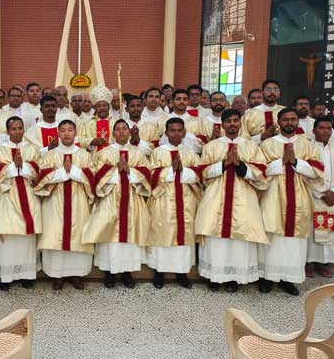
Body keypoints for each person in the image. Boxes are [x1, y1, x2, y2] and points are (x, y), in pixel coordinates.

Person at [196, 109, 268, 292]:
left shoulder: (251, 146)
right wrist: (224, 164)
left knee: (240, 236)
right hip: (216, 196)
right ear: (222, 124)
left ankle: (234, 277)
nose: (232, 124)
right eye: (228, 121)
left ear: (240, 123)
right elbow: (202, 173)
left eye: (236, 120)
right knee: (215, 236)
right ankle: (214, 276)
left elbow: (261, 173)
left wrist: (240, 166)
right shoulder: (211, 146)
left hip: (242, 196)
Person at [258, 108, 324, 295]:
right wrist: (281, 162)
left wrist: (295, 162)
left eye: (293, 119)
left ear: (298, 122)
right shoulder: (267, 145)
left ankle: (289, 279)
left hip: (299, 195)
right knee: (272, 236)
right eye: (285, 119)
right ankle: (267, 277)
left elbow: (317, 171)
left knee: (294, 240)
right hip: (273, 194)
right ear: (279, 122)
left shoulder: (307, 145)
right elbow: (260, 171)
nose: (289, 122)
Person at [82, 119, 151, 289]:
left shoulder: (137, 153)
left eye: (124, 129)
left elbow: (147, 173)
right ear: (113, 133)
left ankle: (127, 273)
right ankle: (109, 273)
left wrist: (129, 170)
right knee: (109, 235)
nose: (121, 132)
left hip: (132, 200)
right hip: (110, 198)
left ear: (129, 132)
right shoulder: (104, 153)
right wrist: (115, 171)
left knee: (130, 235)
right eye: (118, 129)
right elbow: (96, 174)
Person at [35, 120, 94, 290]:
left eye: (70, 130)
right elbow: (41, 177)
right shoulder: (50, 155)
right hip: (55, 201)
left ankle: (77, 274)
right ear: (58, 134)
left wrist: (74, 172)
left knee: (78, 234)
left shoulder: (84, 155)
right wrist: (62, 173)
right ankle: (57, 275)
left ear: (76, 133)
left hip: (78, 201)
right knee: (55, 234)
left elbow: (92, 176)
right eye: (63, 130)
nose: (67, 133)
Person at [0, 116, 42, 290]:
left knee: (26, 237)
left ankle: (26, 274)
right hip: (6, 197)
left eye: (20, 128)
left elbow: (40, 171)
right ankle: (5, 276)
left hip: (28, 194)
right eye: (13, 129)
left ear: (24, 130)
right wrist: (13, 168)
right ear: (8, 131)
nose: (17, 132)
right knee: (7, 235)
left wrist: (23, 167)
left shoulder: (32, 149)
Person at [147, 118, 201, 289]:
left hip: (186, 200)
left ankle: (182, 273)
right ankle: (159, 272)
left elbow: (199, 174)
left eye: (179, 130)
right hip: (163, 200)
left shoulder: (190, 153)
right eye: (172, 130)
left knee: (184, 234)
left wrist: (183, 170)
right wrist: (171, 169)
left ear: (184, 132)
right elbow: (151, 175)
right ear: (166, 132)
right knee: (162, 233)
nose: (176, 134)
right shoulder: (157, 152)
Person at [305, 117, 334, 277]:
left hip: (333, 197)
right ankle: (309, 262)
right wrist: (321, 193)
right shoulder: (308, 148)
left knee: (330, 228)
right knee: (311, 231)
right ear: (314, 130)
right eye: (322, 128)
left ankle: (324, 263)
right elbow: (305, 174)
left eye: (328, 128)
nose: (326, 131)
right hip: (314, 196)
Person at [241, 79, 285, 144]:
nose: (272, 92)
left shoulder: (286, 112)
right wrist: (261, 137)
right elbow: (242, 138)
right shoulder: (249, 114)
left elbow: (296, 136)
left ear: (279, 93)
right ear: (262, 92)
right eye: (268, 89)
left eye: (276, 90)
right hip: (257, 149)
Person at [159, 89, 201, 153]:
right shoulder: (162, 120)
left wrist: (187, 136)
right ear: (172, 101)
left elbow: (201, 146)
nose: (181, 102)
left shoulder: (197, 121)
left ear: (188, 102)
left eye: (185, 99)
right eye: (178, 99)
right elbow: (159, 143)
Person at [78, 85, 116, 153]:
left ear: (109, 107)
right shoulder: (87, 123)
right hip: (93, 156)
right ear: (95, 108)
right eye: (99, 106)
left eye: (104, 105)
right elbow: (80, 140)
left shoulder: (115, 123)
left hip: (112, 156)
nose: (102, 108)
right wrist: (92, 141)